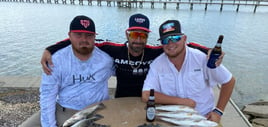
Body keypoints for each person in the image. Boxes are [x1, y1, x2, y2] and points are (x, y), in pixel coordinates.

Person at [7, 15, 114, 127]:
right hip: (62, 109)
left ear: (95, 37)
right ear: (69, 36)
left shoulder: (106, 59)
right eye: (78, 34)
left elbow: (132, 56)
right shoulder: (56, 59)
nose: (84, 40)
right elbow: (47, 94)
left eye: (89, 36)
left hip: (93, 113)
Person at [41, 13, 223, 98]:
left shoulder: (155, 51)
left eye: (142, 35)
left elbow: (182, 44)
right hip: (121, 101)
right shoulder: (113, 49)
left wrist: (208, 50)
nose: (138, 40)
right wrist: (50, 49)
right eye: (134, 35)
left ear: (148, 37)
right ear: (127, 35)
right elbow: (83, 41)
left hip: (149, 102)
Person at [142, 19, 236, 127]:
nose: (170, 43)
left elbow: (229, 81)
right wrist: (182, 101)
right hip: (172, 121)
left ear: (184, 38)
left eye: (176, 38)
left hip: (204, 118)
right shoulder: (157, 64)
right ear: (161, 43)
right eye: (166, 39)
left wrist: (218, 111)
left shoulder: (202, 58)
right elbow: (146, 95)